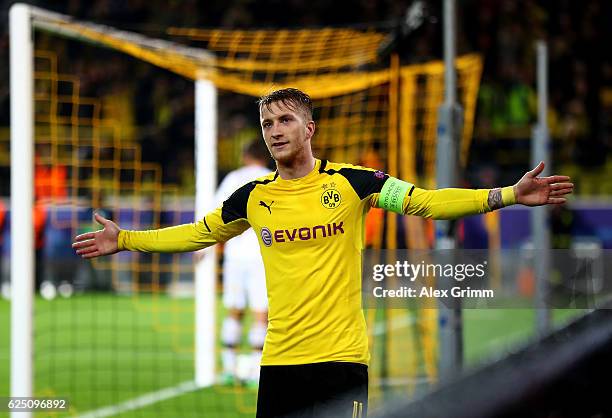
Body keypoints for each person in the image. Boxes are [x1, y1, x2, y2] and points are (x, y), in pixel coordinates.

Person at [72, 88, 574, 418]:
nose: (274, 130)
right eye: (267, 123)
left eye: (285, 119)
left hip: (340, 362)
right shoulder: (252, 197)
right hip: (279, 363)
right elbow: (197, 234)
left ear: (309, 128)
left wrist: (506, 194)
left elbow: (425, 203)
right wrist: (127, 240)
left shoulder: (356, 183)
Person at [216, 140, 271, 387]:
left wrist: (211, 248)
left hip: (235, 253)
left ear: (245, 156)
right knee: (262, 313)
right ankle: (255, 372)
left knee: (234, 310)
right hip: (263, 254)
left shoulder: (232, 178)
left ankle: (229, 369)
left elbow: (214, 214)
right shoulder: (274, 178)